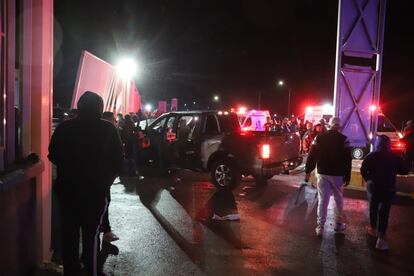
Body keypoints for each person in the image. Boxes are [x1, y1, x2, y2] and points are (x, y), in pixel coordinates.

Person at [48, 92, 124, 276]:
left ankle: (71, 271)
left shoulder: (65, 129)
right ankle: (91, 270)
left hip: (68, 192)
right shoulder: (108, 129)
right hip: (96, 193)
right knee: (91, 236)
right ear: (100, 108)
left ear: (80, 107)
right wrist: (105, 181)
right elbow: (118, 162)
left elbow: (53, 155)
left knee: (69, 236)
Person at [360, 135, 410, 250]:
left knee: (373, 206)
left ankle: (372, 228)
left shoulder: (371, 156)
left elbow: (363, 170)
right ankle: (381, 239)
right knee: (384, 211)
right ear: (389, 144)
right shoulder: (395, 157)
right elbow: (404, 170)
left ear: (377, 144)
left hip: (374, 186)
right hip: (388, 187)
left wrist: (369, 179)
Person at [305, 117, 352, 237]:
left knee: (323, 200)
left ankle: (320, 227)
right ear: (339, 126)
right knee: (338, 199)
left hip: (323, 173)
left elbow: (312, 155)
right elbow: (348, 160)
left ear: (329, 125)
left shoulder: (319, 138)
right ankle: (338, 225)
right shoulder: (344, 140)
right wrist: (347, 175)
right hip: (337, 175)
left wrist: (308, 171)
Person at [101, 111, 120, 243]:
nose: (115, 121)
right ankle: (106, 230)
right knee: (104, 203)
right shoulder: (109, 130)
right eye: (114, 119)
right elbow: (119, 156)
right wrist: (110, 177)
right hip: (101, 178)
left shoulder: (68, 128)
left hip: (78, 179)